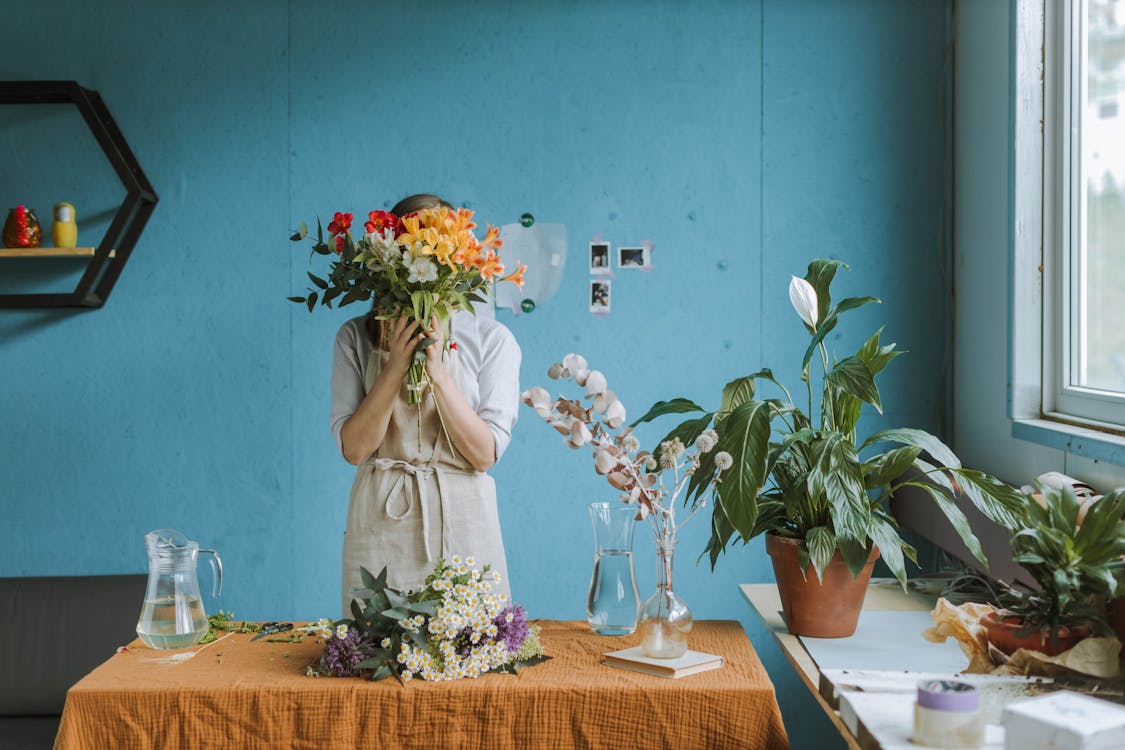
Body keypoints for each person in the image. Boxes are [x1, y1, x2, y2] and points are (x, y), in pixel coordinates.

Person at [330, 193, 521, 615]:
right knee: (375, 663)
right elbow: (355, 449)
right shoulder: (354, 336)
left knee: (472, 659)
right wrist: (396, 366)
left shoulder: (492, 340)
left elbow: (484, 453)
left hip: (465, 518)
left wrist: (435, 370)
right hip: (380, 518)